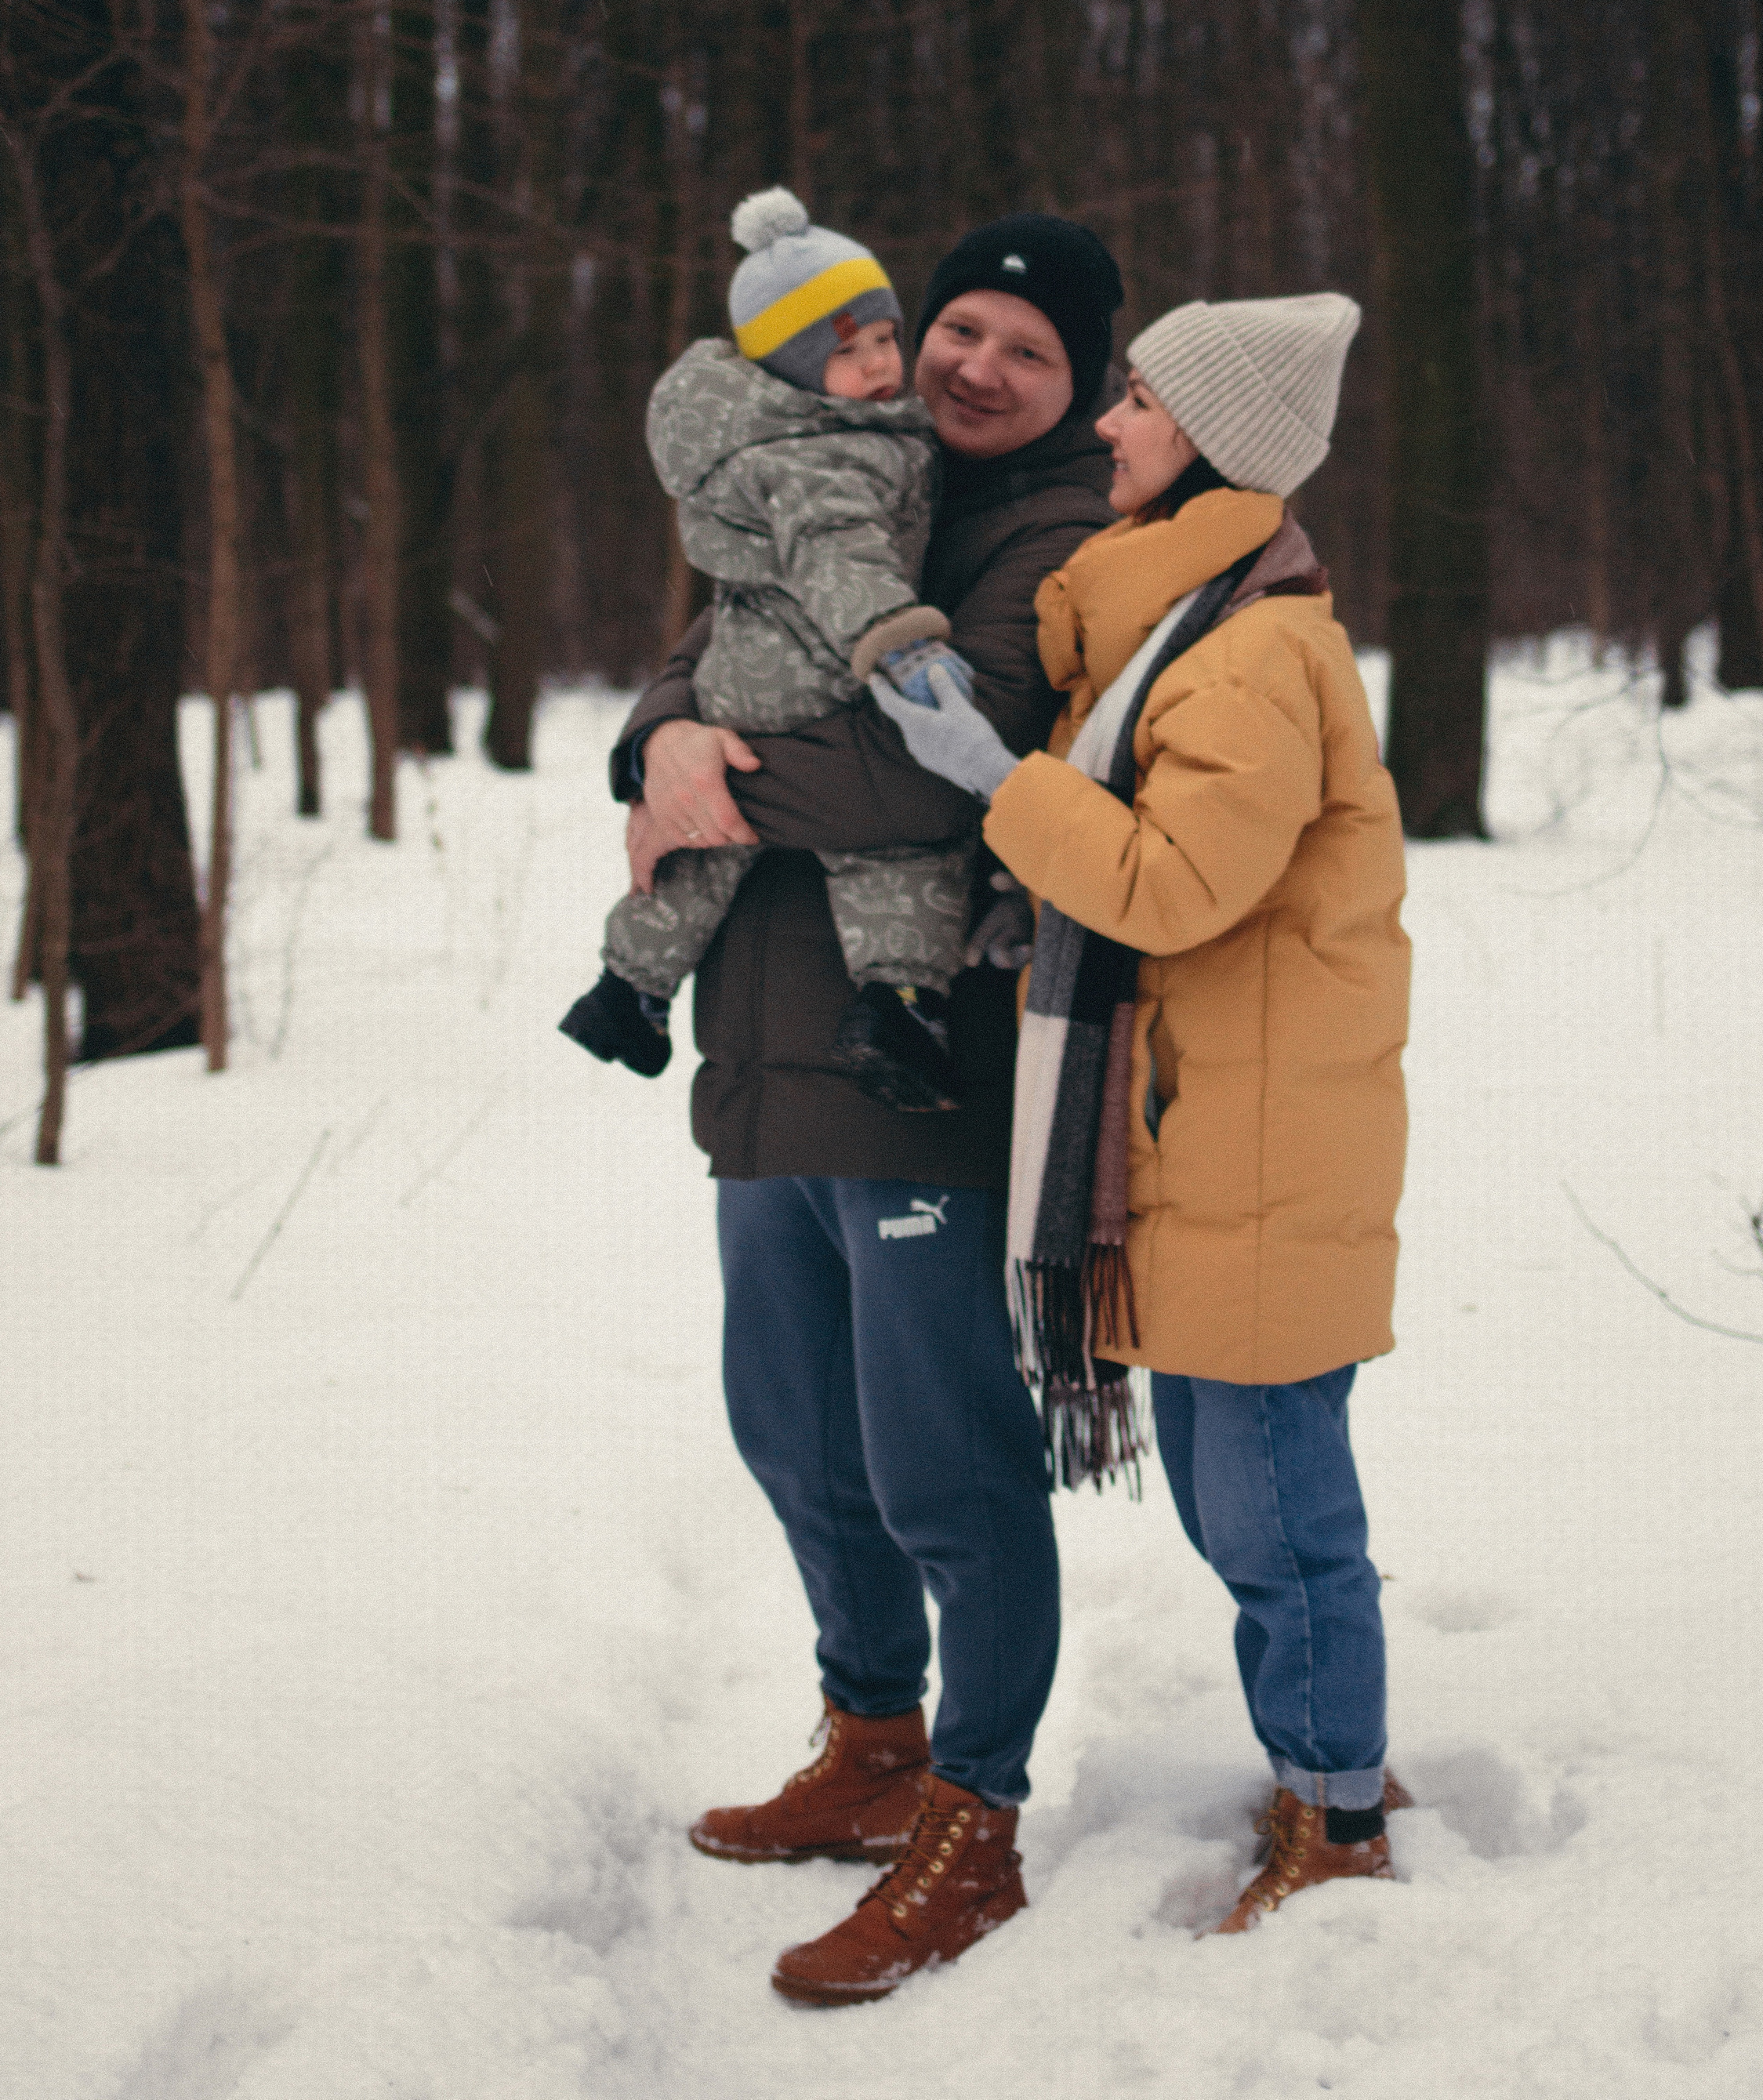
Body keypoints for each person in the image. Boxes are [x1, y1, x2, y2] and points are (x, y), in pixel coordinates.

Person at [608, 214, 1126, 2006]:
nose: (976, 366)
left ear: (1075, 385)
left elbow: (940, 767)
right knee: (792, 1433)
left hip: (920, 1062)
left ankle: (974, 1813)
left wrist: (713, 785)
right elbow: (709, 645)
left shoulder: (1053, 534)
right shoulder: (828, 452)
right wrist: (662, 739)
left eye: (1027, 352)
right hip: (762, 1050)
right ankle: (872, 1739)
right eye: (958, 327)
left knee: (939, 1463)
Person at [867, 292, 1413, 1935]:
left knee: (1271, 1517)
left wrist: (997, 778)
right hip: (1216, 1135)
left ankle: (1334, 1816)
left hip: (1251, 1149)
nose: (1106, 423)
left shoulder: (1247, 656)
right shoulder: (1183, 632)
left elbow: (1171, 885)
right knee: (1244, 1499)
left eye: (1140, 402)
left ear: (1214, 445)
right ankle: (1328, 1762)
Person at [563, 188, 976, 1112]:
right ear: (793, 367)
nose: (879, 364)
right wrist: (899, 645)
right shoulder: (829, 455)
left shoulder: (768, 442)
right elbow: (841, 557)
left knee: (707, 846)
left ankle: (627, 988)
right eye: (847, 351)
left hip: (737, 680)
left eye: (886, 338)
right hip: (822, 672)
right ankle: (901, 1003)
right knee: (896, 845)